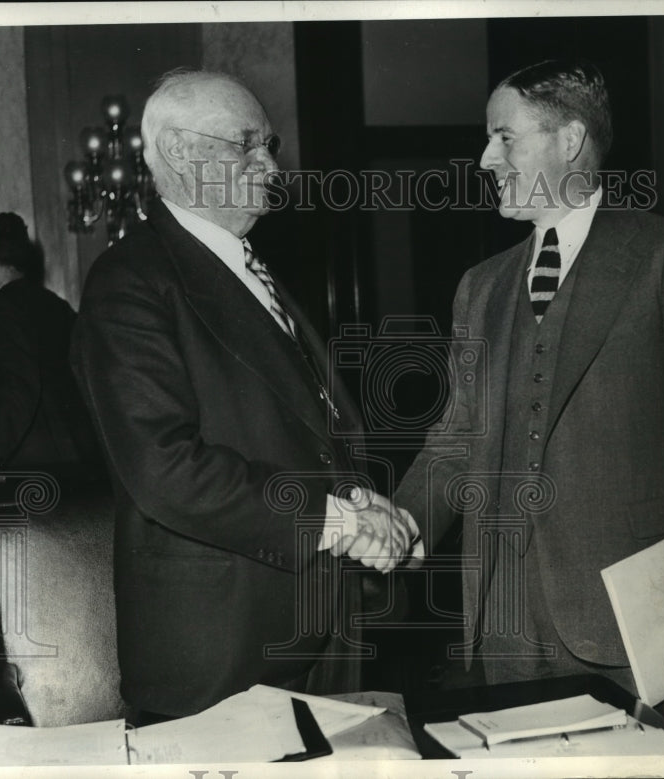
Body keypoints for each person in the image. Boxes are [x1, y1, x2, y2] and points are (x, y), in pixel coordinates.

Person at [395, 59, 664, 700]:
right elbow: (456, 443)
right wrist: (398, 524)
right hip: (504, 625)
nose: (485, 159)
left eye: (504, 138)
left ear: (569, 141)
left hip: (638, 626)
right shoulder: (480, 286)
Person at [70, 69, 420, 721]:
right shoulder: (131, 281)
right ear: (177, 150)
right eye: (245, 143)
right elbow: (164, 469)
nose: (269, 164)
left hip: (318, 633)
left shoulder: (248, 268)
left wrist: (359, 500)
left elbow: (298, 431)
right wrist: (341, 522)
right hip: (221, 660)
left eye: (271, 145)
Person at [0, 212, 98, 473]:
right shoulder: (56, 305)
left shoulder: (0, 311)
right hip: (80, 458)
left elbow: (19, 388)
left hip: (31, 466)